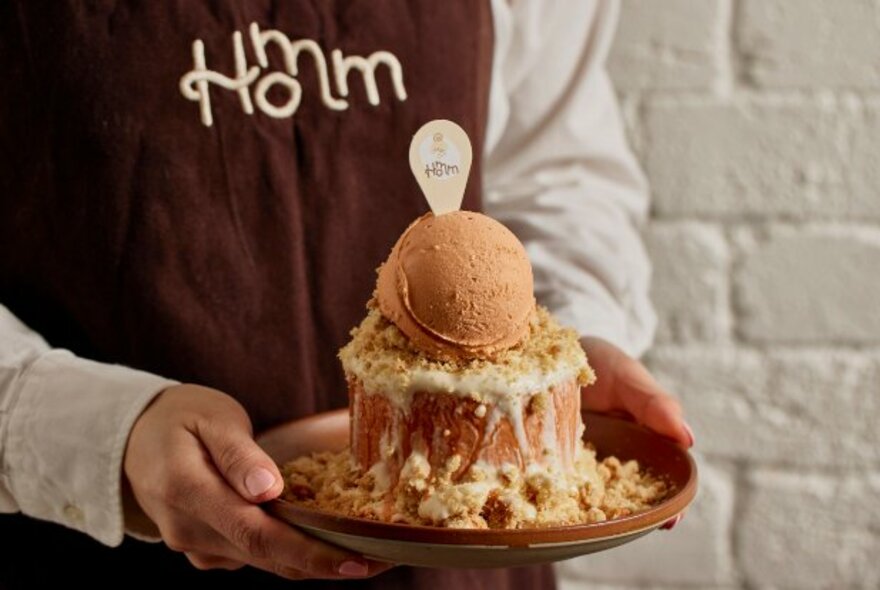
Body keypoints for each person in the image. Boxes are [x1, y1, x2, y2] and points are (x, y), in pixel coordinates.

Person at [0, 0, 693, 587]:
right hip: (92, 532)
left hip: (477, 548)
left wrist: (569, 355)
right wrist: (99, 429)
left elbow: (554, 170)